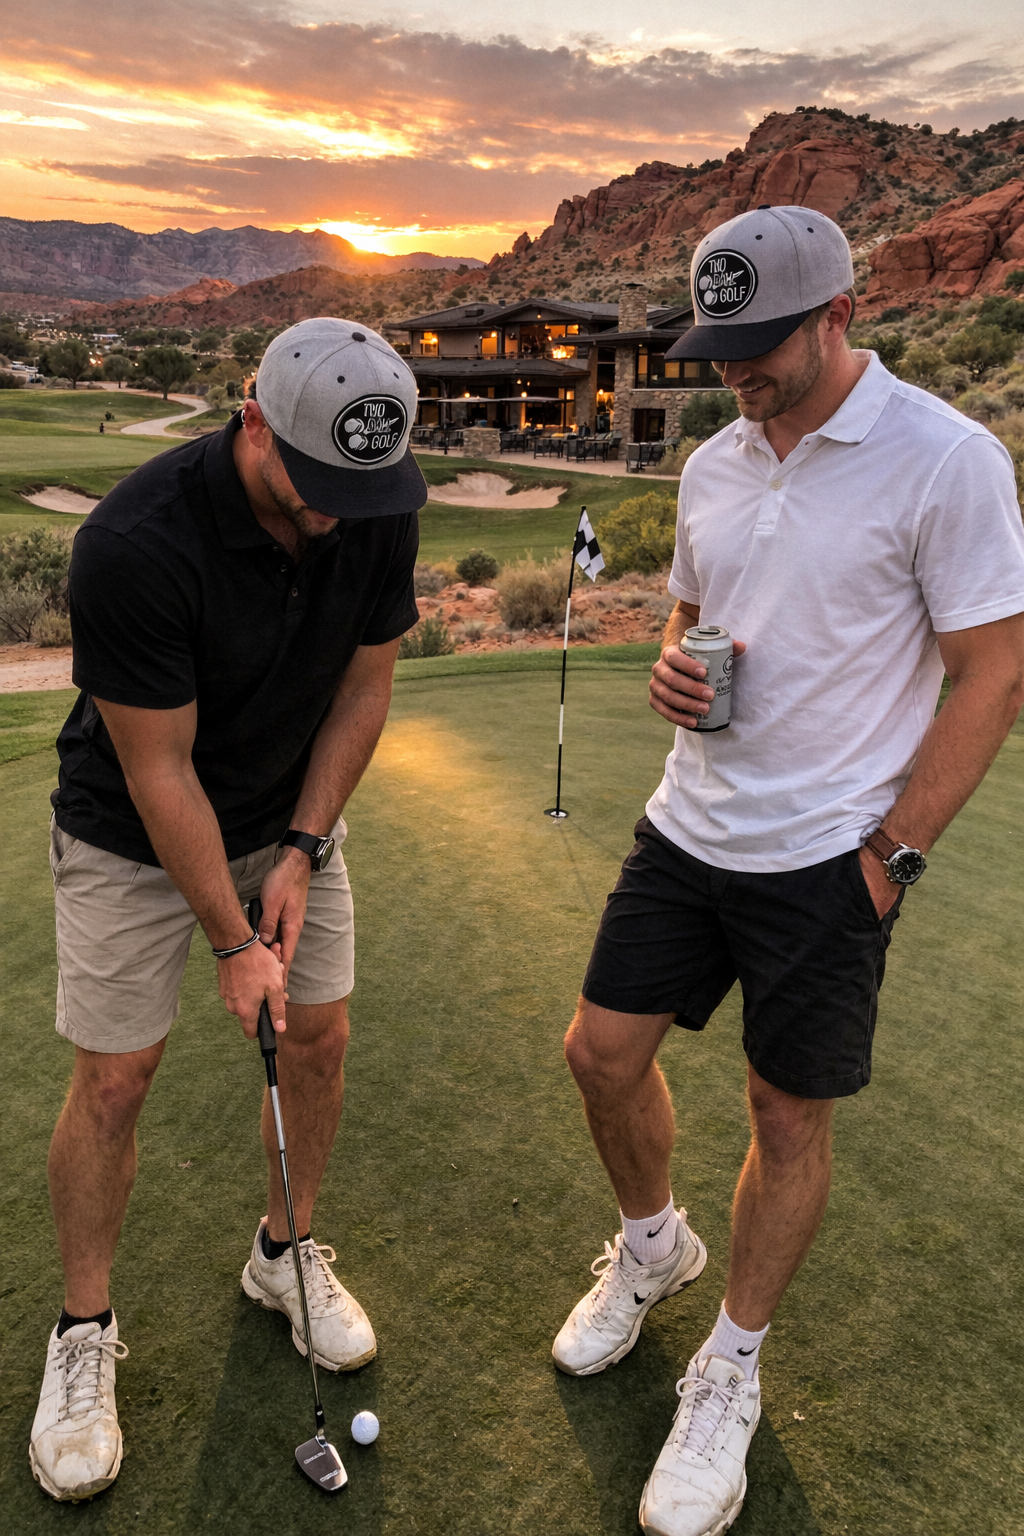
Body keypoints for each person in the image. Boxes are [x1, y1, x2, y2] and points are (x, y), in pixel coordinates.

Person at [551, 207, 1024, 1536]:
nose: (737, 373)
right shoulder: (712, 464)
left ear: (838, 319)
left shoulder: (947, 462)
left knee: (783, 1117)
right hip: (689, 825)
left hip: (829, 856)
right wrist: (672, 665)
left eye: (763, 347)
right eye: (722, 346)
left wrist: (892, 854)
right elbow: (699, 618)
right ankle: (656, 1251)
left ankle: (732, 1367)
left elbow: (994, 671)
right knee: (597, 1052)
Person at [30, 318, 427, 1502]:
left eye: (354, 494)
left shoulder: (367, 496)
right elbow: (159, 771)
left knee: (320, 1035)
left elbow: (366, 686)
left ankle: (283, 1255)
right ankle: (82, 1331)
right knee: (116, 1077)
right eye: (311, 488)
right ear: (252, 416)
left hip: (287, 810)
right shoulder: (134, 543)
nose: (332, 515)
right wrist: (230, 936)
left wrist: (302, 849)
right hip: (130, 831)